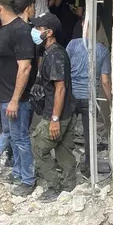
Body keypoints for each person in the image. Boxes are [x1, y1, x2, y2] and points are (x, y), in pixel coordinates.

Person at [0, 0, 37, 197]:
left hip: (17, 99)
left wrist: (15, 99)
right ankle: (17, 173)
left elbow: (25, 67)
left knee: (21, 138)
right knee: (13, 138)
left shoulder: (21, 31)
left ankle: (28, 180)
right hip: (3, 95)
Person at [31, 12, 77, 201]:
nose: (34, 32)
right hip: (65, 112)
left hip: (57, 114)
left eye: (38, 29)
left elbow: (60, 89)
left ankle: (54, 186)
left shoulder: (56, 55)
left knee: (38, 148)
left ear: (48, 32)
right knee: (64, 151)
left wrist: (54, 120)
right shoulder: (50, 52)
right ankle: (70, 187)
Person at [66, 16, 111, 179]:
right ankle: (88, 167)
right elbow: (105, 81)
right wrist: (111, 102)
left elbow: (64, 70)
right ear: (98, 28)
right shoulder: (103, 50)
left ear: (84, 25)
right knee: (89, 135)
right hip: (90, 99)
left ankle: (66, 166)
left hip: (71, 97)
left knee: (65, 132)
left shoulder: (72, 45)